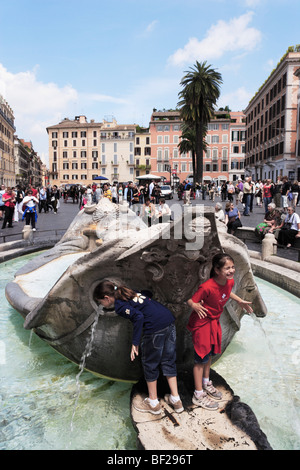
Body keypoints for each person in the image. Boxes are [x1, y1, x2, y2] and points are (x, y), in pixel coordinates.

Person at [93, 280, 183, 415]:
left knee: (150, 365)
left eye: (101, 302)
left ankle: (153, 403)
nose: (102, 305)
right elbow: (147, 293)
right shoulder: (129, 292)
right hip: (168, 321)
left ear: (106, 298)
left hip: (154, 329)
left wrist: (135, 343)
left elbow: (138, 317)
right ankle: (176, 400)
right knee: (168, 361)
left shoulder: (119, 306)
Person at [186, 253, 253, 410]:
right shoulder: (207, 286)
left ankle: (206, 382)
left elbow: (226, 291)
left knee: (209, 355)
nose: (231, 270)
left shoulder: (229, 282)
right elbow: (191, 299)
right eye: (227, 268)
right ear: (216, 270)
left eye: (232, 267)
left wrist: (240, 301)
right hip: (202, 324)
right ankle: (198, 394)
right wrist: (194, 305)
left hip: (213, 322)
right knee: (200, 359)